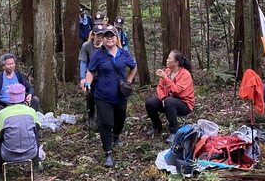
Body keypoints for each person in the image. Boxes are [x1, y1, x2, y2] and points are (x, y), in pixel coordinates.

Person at [84, 26, 137, 168]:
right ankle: (108, 153)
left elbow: (134, 66)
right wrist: (87, 83)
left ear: (116, 38)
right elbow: (90, 70)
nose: (109, 38)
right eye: (106, 36)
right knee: (106, 123)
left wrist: (128, 81)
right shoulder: (98, 55)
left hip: (121, 96)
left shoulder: (124, 54)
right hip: (102, 95)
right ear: (103, 39)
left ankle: (116, 136)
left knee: (119, 121)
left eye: (112, 36)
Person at [0, 83, 43, 178]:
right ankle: (36, 165)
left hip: (8, 155)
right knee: (35, 132)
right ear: (24, 96)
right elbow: (38, 127)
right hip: (30, 152)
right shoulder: (30, 111)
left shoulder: (3, 114)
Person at [145, 50, 194, 143]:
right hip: (167, 101)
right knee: (150, 103)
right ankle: (157, 126)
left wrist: (166, 78)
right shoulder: (167, 71)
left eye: (169, 58)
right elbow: (159, 88)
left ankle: (174, 131)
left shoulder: (185, 74)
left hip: (184, 104)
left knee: (169, 101)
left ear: (176, 63)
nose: (166, 60)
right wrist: (163, 98)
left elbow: (178, 90)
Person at [0, 53, 40, 121]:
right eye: (9, 64)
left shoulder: (18, 75)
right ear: (3, 66)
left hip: (20, 104)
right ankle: (1, 128)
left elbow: (30, 88)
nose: (11, 66)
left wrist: (30, 94)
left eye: (13, 63)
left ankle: (29, 121)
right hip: (5, 106)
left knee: (35, 100)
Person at [79, 24, 106, 125]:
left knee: (102, 98)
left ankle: (101, 117)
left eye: (102, 35)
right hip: (91, 76)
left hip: (103, 76)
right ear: (93, 35)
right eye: (98, 35)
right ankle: (91, 116)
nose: (100, 37)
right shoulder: (86, 46)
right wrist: (83, 78)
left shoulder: (106, 46)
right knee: (90, 96)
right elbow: (83, 62)